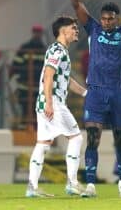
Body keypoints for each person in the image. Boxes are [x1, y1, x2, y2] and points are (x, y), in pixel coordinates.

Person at [66, 0, 121, 198]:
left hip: (118, 93)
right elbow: (76, 2)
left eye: (111, 18)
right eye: (104, 18)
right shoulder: (93, 29)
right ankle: (90, 184)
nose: (107, 22)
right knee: (93, 137)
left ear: (117, 19)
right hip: (96, 93)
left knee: (120, 140)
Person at [26, 16, 87, 197]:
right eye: (73, 27)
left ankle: (32, 187)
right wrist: (51, 103)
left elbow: (66, 81)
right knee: (76, 138)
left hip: (45, 102)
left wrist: (86, 94)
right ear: (63, 31)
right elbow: (48, 76)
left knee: (43, 143)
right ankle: (72, 183)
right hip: (53, 103)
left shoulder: (59, 50)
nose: (76, 30)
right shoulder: (57, 51)